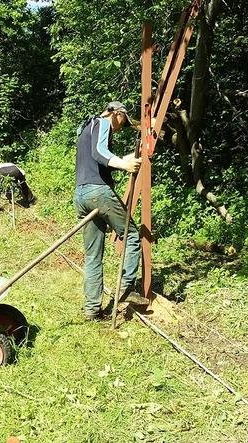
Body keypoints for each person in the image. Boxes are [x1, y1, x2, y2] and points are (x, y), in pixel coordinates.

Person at [74, 100, 150, 321]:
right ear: (116, 113)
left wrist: (122, 160)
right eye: (122, 121)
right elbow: (99, 153)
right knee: (133, 235)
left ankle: (91, 310)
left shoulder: (85, 128)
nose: (120, 127)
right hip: (98, 193)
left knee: (93, 255)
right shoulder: (102, 122)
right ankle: (126, 289)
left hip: (81, 195)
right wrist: (124, 164)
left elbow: (96, 159)